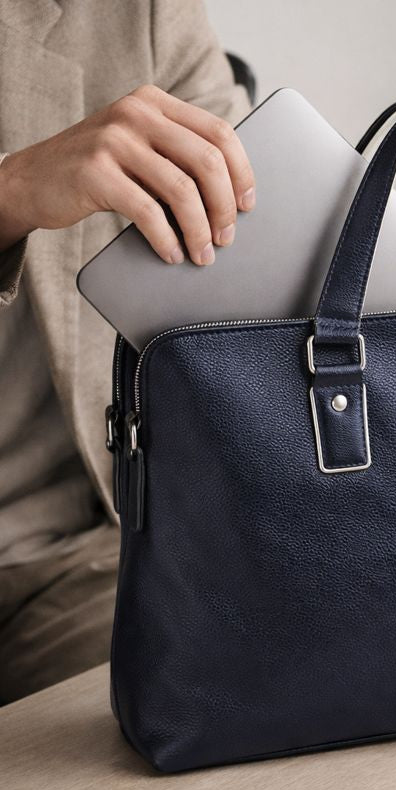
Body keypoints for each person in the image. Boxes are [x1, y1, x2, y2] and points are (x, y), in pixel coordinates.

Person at [0, 0, 254, 703]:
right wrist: (12, 190)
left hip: (78, 550)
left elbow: (252, 255)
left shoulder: (138, 14)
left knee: (228, 699)